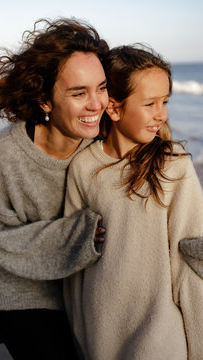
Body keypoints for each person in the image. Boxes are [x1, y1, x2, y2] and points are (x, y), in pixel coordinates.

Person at [0, 18, 108, 359]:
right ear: (44, 100)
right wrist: (77, 233)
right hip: (14, 286)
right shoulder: (6, 154)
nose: (96, 104)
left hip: (77, 284)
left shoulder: (103, 143)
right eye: (79, 93)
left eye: (101, 87)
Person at [63, 45, 203, 359]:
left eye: (165, 101)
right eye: (150, 103)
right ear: (113, 108)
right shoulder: (83, 168)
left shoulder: (174, 166)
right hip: (101, 330)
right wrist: (79, 336)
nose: (161, 114)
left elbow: (191, 261)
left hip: (162, 333)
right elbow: (74, 261)